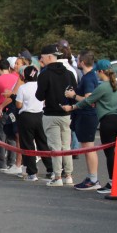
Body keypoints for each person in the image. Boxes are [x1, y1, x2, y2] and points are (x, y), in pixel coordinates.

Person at [63, 60, 117, 195]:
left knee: (109, 153)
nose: (97, 74)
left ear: (101, 71)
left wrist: (71, 107)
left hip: (107, 121)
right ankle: (114, 180)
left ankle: (112, 182)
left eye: (97, 72)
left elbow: (88, 101)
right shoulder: (115, 85)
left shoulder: (103, 86)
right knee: (112, 152)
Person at [35, 44, 77, 187]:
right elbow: (74, 92)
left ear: (49, 57)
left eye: (42, 57)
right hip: (66, 113)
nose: (41, 60)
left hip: (51, 113)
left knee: (55, 146)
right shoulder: (69, 73)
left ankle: (57, 176)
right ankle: (68, 175)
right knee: (66, 146)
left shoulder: (44, 74)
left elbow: (39, 96)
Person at [14, 66, 52, 182]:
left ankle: (32, 172)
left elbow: (19, 105)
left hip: (26, 117)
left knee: (27, 145)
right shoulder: (41, 85)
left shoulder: (23, 88)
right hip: (40, 115)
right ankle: (51, 169)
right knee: (43, 143)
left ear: (24, 75)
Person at [71, 52, 102, 190]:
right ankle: (91, 176)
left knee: (89, 148)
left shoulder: (89, 78)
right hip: (85, 115)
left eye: (78, 59)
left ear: (82, 62)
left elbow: (89, 99)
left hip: (88, 115)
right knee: (86, 147)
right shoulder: (88, 76)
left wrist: (73, 95)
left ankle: (94, 179)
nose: (77, 61)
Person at [0, 58, 20, 173]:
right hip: (13, 110)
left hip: (1, 110)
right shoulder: (16, 78)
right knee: (12, 137)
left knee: (0, 137)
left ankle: (2, 162)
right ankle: (12, 162)